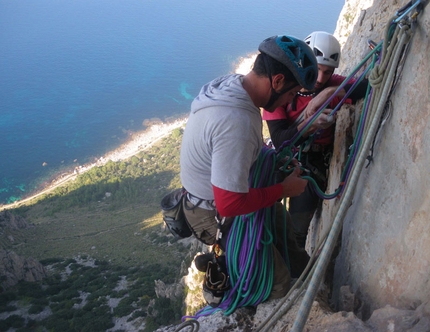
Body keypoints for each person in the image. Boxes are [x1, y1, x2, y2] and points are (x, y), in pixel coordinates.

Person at [180, 35, 318, 302]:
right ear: (277, 81)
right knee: (274, 282)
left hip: (214, 195)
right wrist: (283, 189)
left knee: (282, 226)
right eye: (291, 93)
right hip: (212, 212)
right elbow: (230, 204)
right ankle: (271, 305)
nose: (290, 102)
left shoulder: (233, 84)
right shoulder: (236, 122)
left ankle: (307, 278)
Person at [262, 31, 369, 248]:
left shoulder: (328, 83)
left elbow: (366, 86)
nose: (320, 78)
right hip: (286, 158)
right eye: (317, 70)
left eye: (327, 72)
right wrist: (309, 125)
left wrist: (330, 91)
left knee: (296, 234)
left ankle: (295, 274)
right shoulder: (284, 90)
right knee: (259, 213)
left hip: (313, 165)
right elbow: (281, 139)